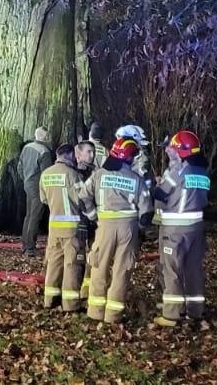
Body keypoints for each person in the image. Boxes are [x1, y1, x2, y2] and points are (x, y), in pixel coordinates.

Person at [84, 126, 152, 323]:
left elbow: (83, 196)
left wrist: (93, 216)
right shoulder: (136, 179)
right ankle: (113, 314)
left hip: (104, 225)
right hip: (128, 228)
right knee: (122, 270)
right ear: (130, 157)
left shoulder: (99, 174)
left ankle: (95, 311)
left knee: (98, 266)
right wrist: (138, 228)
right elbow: (146, 212)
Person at [152, 130, 211, 327]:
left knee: (172, 270)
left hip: (175, 231)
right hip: (196, 229)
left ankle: (171, 314)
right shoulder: (203, 174)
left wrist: (158, 182)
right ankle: (195, 310)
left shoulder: (177, 174)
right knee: (193, 269)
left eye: (175, 149)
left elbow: (160, 194)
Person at [40, 142, 96, 311]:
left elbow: (43, 199)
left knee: (54, 263)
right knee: (73, 265)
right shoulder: (73, 175)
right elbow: (83, 198)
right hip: (73, 229)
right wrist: (92, 216)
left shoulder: (45, 174)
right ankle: (70, 304)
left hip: (54, 228)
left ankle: (50, 299)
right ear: (71, 156)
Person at [19, 127, 57, 255]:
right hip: (38, 187)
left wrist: (25, 179)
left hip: (28, 184)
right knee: (35, 217)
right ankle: (30, 247)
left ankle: (24, 243)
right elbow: (47, 173)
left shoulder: (27, 147)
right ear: (46, 137)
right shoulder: (44, 152)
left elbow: (20, 167)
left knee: (29, 215)